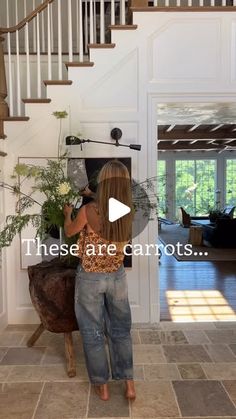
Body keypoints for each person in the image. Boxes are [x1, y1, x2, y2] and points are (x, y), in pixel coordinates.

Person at [63, 160, 136, 402]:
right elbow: (110, 207)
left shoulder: (87, 211)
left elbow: (70, 232)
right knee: (121, 331)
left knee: (93, 332)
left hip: (90, 278)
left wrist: (67, 215)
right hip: (116, 276)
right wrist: (91, 194)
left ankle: (102, 387)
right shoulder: (127, 210)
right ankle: (129, 385)